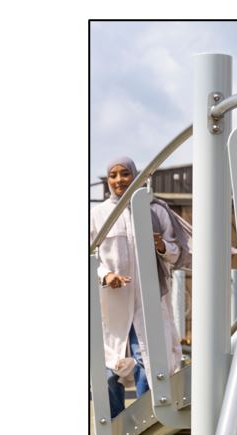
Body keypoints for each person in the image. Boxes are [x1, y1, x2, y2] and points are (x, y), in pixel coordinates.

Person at [90, 156, 184, 418]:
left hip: (149, 298)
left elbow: (179, 253)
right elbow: (88, 256)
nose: (119, 180)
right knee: (110, 367)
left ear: (135, 175)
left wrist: (162, 246)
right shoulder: (97, 215)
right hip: (112, 301)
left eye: (124, 174)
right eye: (113, 175)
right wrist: (105, 275)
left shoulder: (155, 211)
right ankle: (117, 421)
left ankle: (146, 421)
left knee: (150, 360)